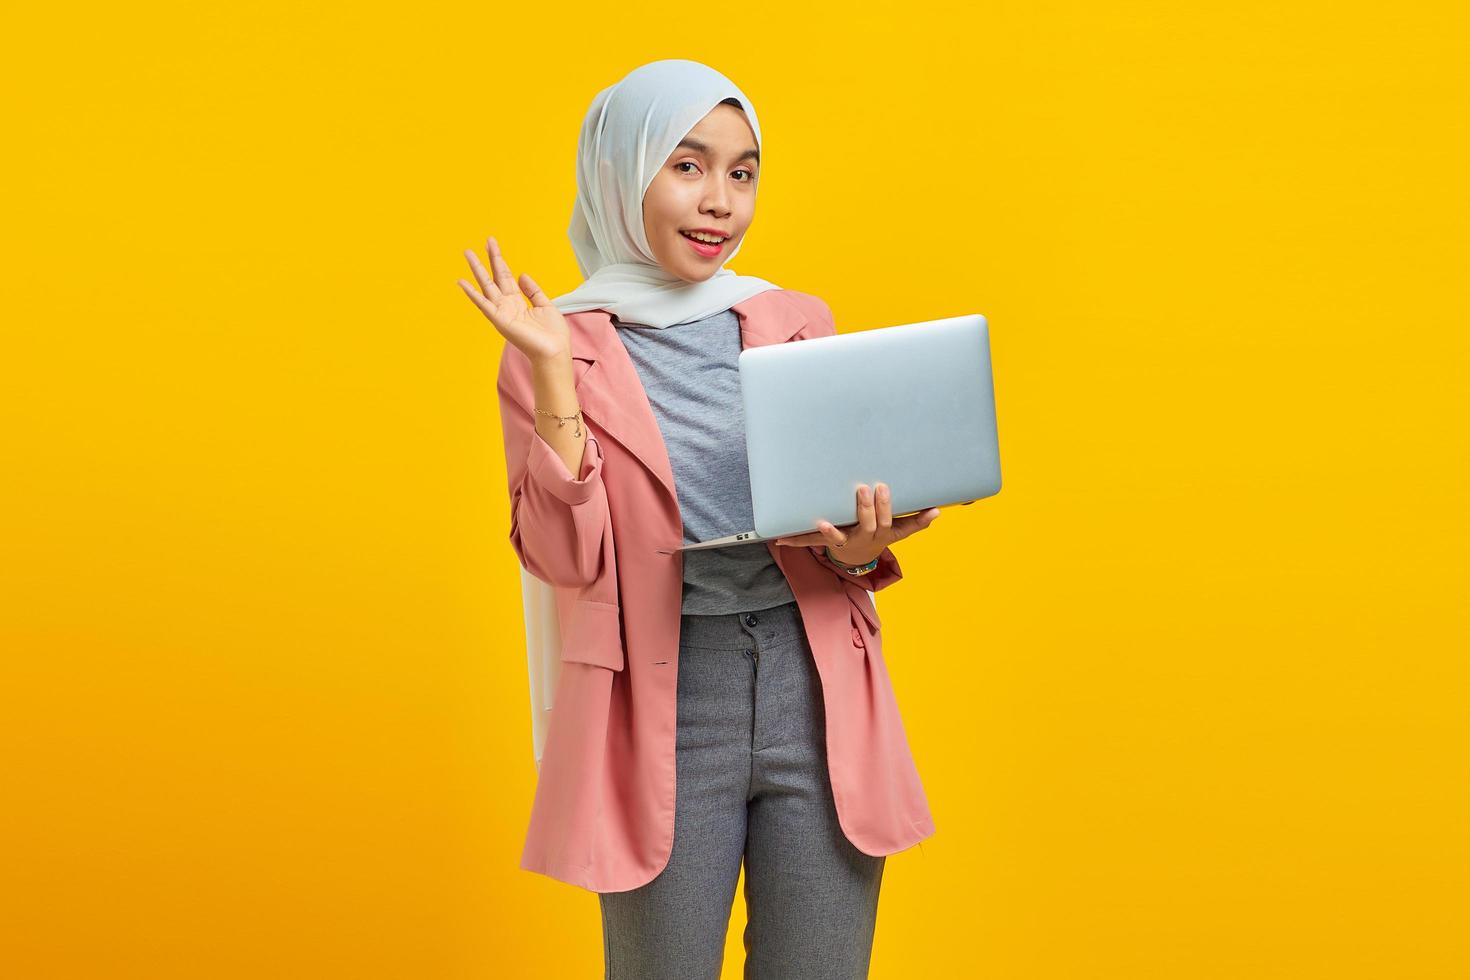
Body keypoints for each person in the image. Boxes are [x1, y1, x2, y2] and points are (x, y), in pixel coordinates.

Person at [457, 59, 942, 980]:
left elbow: (831, 530)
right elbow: (564, 556)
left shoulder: (796, 320)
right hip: (664, 696)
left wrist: (860, 548)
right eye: (686, 166)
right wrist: (555, 373)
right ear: (620, 170)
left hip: (816, 690)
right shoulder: (552, 344)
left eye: (742, 171)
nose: (719, 200)